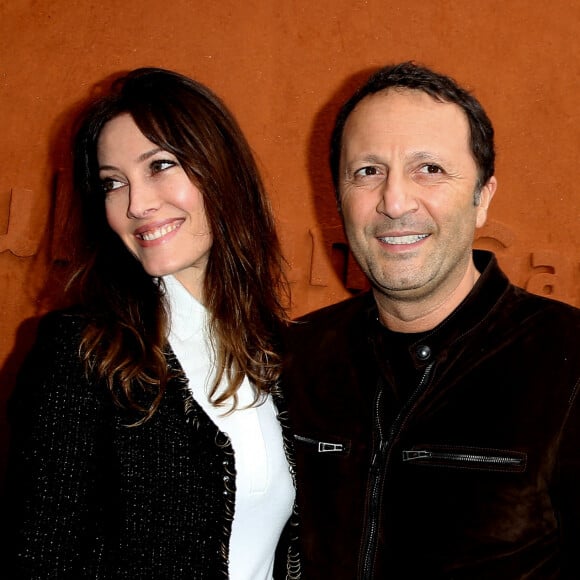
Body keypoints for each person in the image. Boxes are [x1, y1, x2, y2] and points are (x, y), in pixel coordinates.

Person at [282, 61, 580, 579]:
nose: (395, 202)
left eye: (430, 169)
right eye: (368, 171)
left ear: (482, 197)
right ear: (338, 197)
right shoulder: (293, 357)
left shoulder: (570, 359)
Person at [3, 68, 300, 579]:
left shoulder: (278, 350)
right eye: (113, 183)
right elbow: (37, 558)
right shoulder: (81, 352)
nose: (136, 204)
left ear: (219, 170)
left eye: (160, 165)